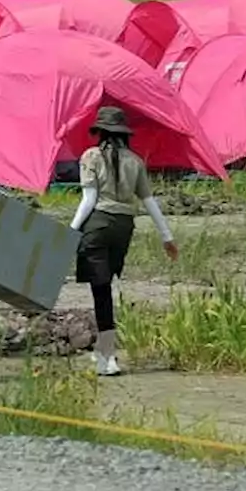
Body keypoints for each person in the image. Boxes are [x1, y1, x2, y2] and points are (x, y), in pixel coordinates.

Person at [69, 106, 179, 377]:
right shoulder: (136, 161)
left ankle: (108, 356)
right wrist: (167, 237)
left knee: (101, 292)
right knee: (105, 288)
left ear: (100, 132)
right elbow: (149, 202)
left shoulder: (91, 157)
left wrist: (70, 231)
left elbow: (89, 201)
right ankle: (103, 352)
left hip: (98, 225)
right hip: (124, 228)